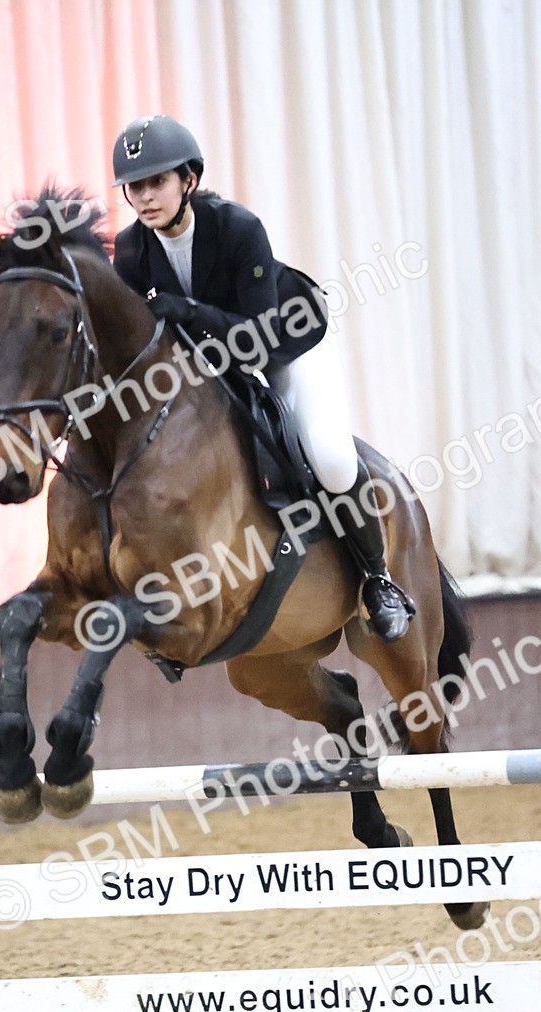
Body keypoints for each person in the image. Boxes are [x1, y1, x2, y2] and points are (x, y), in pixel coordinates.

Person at [111, 114, 414, 642]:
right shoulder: (131, 251)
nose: (145, 197)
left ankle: (378, 578)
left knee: (330, 456)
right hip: (213, 359)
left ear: (189, 180)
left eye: (157, 181)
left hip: (287, 344)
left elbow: (257, 338)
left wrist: (188, 311)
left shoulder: (238, 228)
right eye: (135, 186)